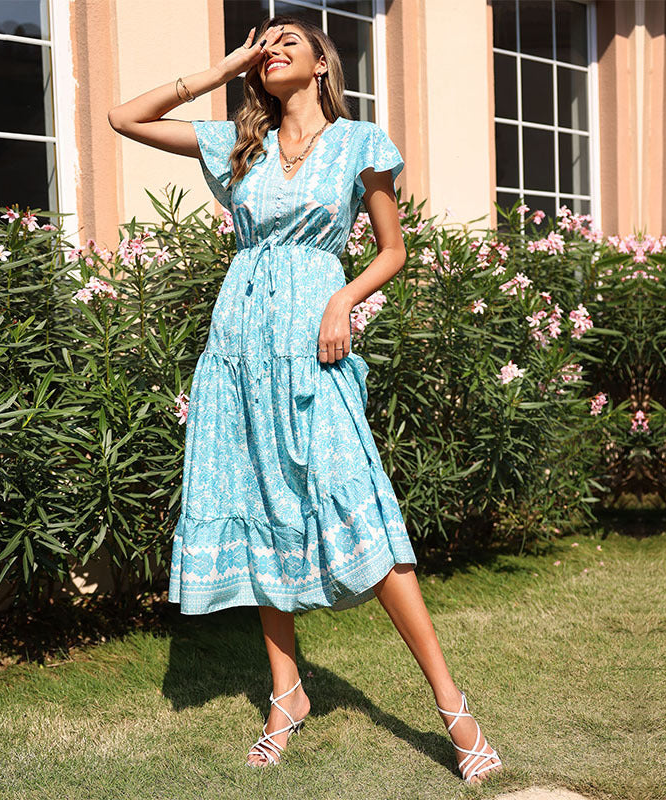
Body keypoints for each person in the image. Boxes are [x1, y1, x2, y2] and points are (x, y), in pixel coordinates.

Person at [107, 15, 503, 785]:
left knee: (357, 502)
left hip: (314, 338)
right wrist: (225, 67)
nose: (274, 48)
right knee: (259, 501)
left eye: (290, 39)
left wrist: (342, 301)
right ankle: (286, 693)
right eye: (264, 42)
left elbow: (393, 250)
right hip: (239, 346)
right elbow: (126, 117)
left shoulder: (361, 144)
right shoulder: (236, 144)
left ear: (324, 62)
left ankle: (453, 707)